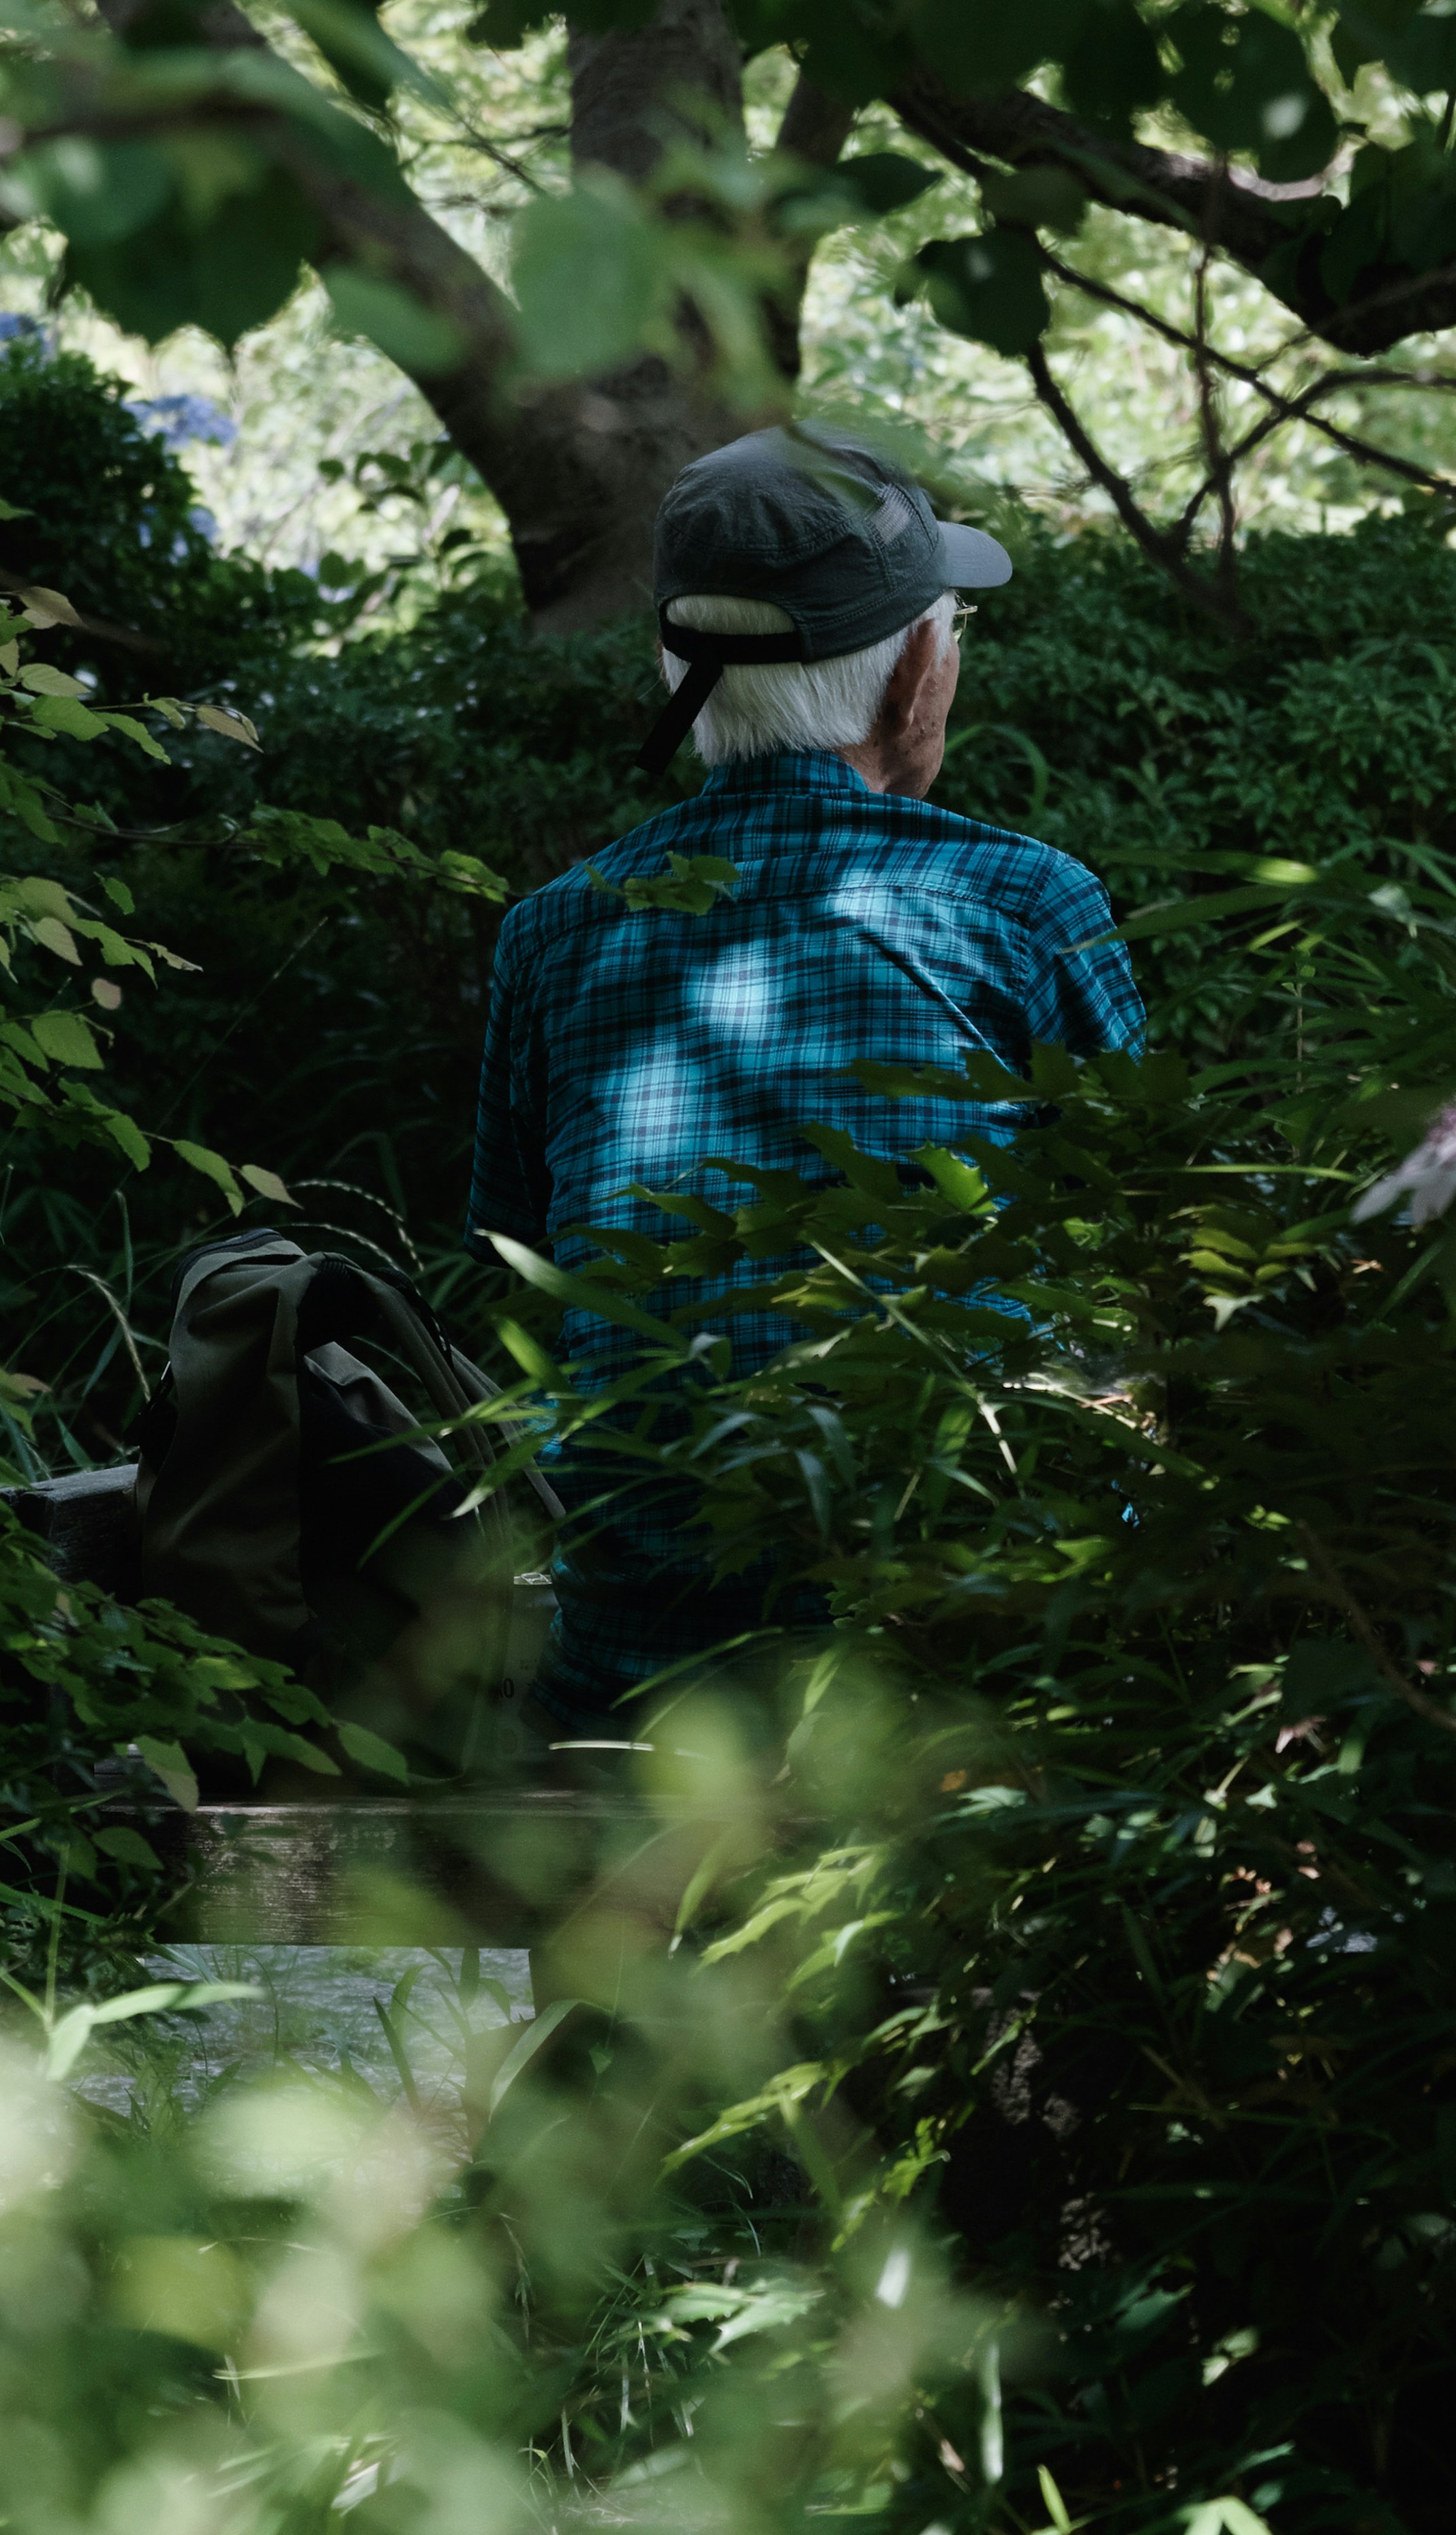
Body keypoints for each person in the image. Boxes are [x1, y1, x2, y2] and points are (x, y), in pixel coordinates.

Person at [467, 421, 1145, 1733]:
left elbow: (515, 1270)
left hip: (637, 1673)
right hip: (961, 1665)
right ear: (915, 683)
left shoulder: (556, 931)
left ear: (680, 672)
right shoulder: (1027, 909)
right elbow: (1143, 1269)